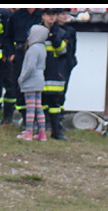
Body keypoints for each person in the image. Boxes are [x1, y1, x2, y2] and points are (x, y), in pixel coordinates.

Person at [6, 8, 43, 124]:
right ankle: (25, 117)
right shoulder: (16, 16)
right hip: (19, 53)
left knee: (35, 84)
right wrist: (11, 53)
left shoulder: (41, 15)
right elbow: (8, 36)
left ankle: (39, 120)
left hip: (35, 53)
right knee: (19, 84)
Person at [41, 8, 69, 141]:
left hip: (55, 75)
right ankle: (41, 130)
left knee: (55, 106)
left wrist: (54, 37)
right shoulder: (37, 32)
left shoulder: (62, 33)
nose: (51, 18)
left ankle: (57, 132)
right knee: (41, 104)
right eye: (49, 15)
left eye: (53, 15)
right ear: (43, 16)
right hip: (40, 73)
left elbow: (63, 51)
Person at [16, 25, 48, 142]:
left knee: (30, 107)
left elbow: (29, 67)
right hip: (39, 79)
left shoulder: (33, 48)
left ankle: (28, 132)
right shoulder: (42, 47)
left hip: (31, 81)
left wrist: (21, 79)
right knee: (38, 107)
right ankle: (42, 133)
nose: (28, 37)